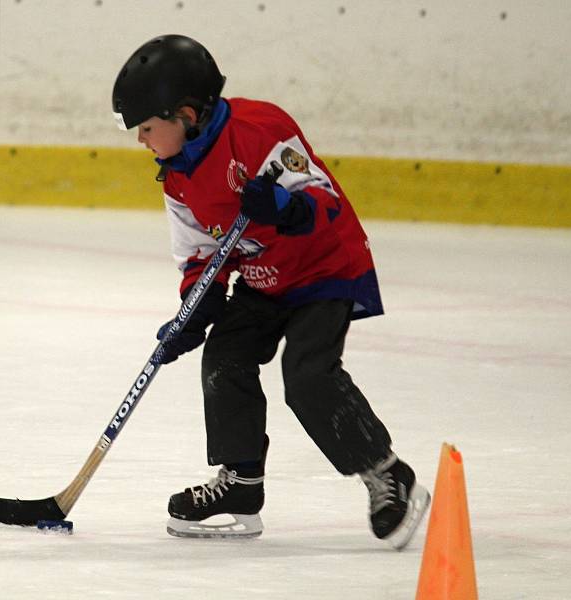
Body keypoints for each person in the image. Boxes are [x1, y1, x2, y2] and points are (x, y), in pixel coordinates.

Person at [111, 34, 429, 547]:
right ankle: (241, 484)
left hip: (323, 267)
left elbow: (323, 202)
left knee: (306, 376)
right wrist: (195, 313)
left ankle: (386, 473)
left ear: (186, 115)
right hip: (264, 280)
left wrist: (285, 208)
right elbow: (199, 255)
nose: (141, 140)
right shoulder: (178, 178)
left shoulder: (260, 130)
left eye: (147, 128)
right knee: (224, 359)